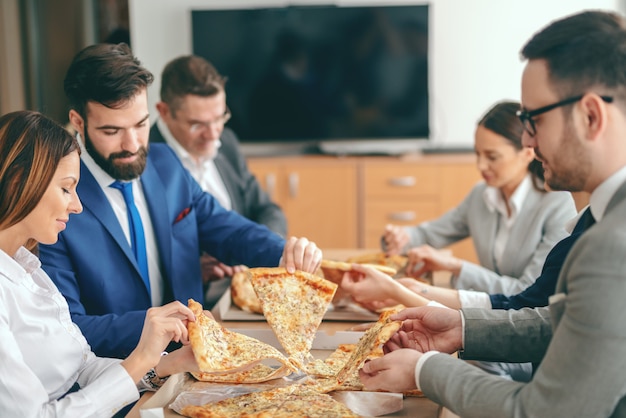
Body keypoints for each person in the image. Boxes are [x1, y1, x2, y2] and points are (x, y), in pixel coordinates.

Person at [359, 10, 626, 417]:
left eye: (534, 121)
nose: (530, 143)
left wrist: (425, 369)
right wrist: (461, 327)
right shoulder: (601, 219)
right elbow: (567, 323)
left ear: (591, 116)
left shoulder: (611, 243)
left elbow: (545, 411)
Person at [38, 43, 322, 360]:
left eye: (141, 125)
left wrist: (284, 252)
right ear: (78, 121)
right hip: (117, 379)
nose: (132, 144)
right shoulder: (55, 202)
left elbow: (228, 230)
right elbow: (69, 327)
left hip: (197, 363)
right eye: (112, 130)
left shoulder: (165, 163)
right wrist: (155, 326)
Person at [0, 110, 199, 417]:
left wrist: (161, 364)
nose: (77, 205)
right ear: (17, 183)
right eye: (66, 188)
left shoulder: (30, 269)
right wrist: (140, 359)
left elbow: (83, 367)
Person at [382, 101, 577, 296]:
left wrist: (456, 266)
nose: (481, 166)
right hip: (488, 313)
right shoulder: (481, 195)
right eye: (477, 154)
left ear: (527, 153)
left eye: (492, 157)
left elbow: (529, 292)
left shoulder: (558, 204)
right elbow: (428, 234)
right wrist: (400, 237)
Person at [150, 54, 288, 301]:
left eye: (219, 118)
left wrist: (254, 253)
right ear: (164, 111)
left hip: (246, 289)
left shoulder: (227, 143)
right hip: (189, 302)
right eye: (197, 124)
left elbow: (267, 209)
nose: (213, 134)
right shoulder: (143, 161)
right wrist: (192, 267)